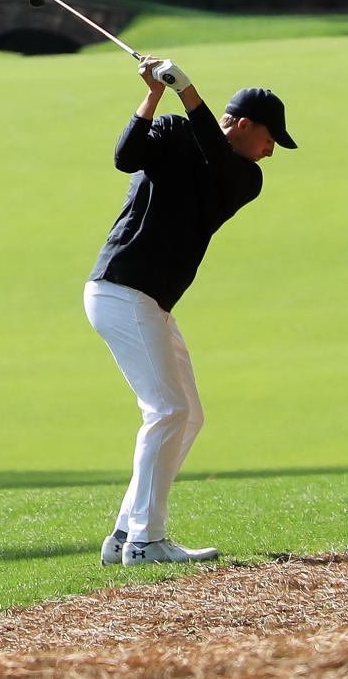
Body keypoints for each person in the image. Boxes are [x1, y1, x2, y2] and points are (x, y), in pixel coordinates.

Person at [83, 54, 294, 567]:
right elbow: (125, 156)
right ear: (245, 125)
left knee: (187, 415)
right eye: (271, 138)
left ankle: (124, 534)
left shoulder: (244, 177)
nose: (271, 151)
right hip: (122, 289)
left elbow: (215, 162)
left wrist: (187, 91)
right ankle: (146, 541)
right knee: (168, 410)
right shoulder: (175, 132)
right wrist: (156, 94)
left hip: (146, 301)